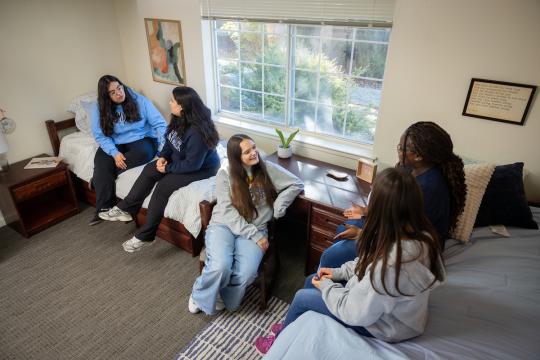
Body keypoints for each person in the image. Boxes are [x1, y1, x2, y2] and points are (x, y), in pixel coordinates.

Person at [255, 168, 446, 354]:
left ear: (381, 211)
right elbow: (367, 261)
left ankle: (278, 340)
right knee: (312, 279)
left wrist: (328, 287)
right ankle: (292, 325)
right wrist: (338, 273)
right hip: (392, 310)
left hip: (386, 326)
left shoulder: (388, 268)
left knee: (301, 298)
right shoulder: (419, 235)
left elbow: (354, 312)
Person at [319, 121, 466, 268]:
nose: (398, 151)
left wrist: (363, 234)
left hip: (411, 246)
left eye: (401, 148)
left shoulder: (427, 189)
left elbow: (405, 237)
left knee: (330, 257)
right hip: (395, 229)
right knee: (344, 228)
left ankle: (332, 280)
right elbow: (396, 209)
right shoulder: (411, 170)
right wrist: (366, 211)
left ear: (418, 156)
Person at [188, 134, 304, 315]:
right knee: (221, 266)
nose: (254, 153)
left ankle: (223, 295)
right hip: (224, 225)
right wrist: (254, 235)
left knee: (247, 273)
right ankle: (199, 294)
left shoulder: (266, 169)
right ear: (236, 157)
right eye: (247, 151)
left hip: (256, 226)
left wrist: (278, 207)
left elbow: (295, 183)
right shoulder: (224, 174)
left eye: (254, 148)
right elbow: (227, 212)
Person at [98, 86, 221, 253]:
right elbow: (170, 142)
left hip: (202, 169)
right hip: (183, 159)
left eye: (172, 101)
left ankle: (146, 235)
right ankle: (127, 208)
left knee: (163, 186)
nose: (169, 103)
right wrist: (163, 157)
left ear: (182, 106)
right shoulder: (178, 119)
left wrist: (168, 168)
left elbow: (193, 165)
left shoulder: (196, 132)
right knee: (150, 169)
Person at [89, 75, 167, 226]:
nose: (119, 93)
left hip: (142, 138)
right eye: (112, 92)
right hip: (115, 141)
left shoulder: (139, 100)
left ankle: (99, 179)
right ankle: (103, 208)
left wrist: (164, 149)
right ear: (106, 97)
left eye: (119, 87)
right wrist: (114, 153)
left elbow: (160, 124)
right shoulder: (98, 108)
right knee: (102, 160)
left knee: (143, 153)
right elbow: (99, 135)